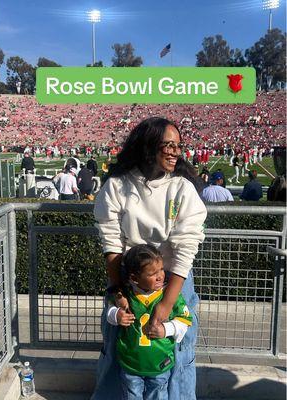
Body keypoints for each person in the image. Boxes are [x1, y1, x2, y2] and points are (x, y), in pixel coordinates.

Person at [92, 117, 207, 400]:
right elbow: (112, 245)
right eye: (168, 145)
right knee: (119, 339)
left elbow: (185, 251)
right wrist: (119, 290)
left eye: (178, 146)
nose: (174, 152)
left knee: (177, 351)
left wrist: (166, 304)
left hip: (174, 279)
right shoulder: (116, 187)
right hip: (129, 278)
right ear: (148, 146)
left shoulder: (182, 189)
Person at [107, 244, 192, 400]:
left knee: (158, 395)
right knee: (131, 396)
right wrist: (116, 315)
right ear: (134, 278)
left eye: (161, 269)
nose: (160, 275)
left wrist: (166, 330)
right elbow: (110, 310)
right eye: (153, 273)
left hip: (160, 364)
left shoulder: (169, 296)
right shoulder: (125, 295)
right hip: (131, 364)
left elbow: (185, 320)